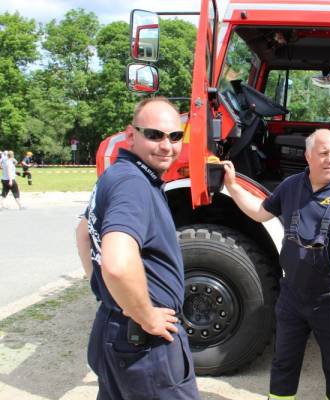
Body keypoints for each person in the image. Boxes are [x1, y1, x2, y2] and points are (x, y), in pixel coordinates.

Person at [221, 128, 330, 400]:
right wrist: (233, 187)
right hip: (293, 297)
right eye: (323, 154)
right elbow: (260, 212)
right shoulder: (291, 186)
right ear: (308, 156)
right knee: (283, 365)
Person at [75, 97, 201, 400]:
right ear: (131, 135)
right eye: (154, 135)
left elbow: (82, 233)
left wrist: (111, 298)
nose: (166, 146)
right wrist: (145, 314)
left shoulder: (117, 175)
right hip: (144, 347)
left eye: (174, 136)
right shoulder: (134, 183)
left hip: (115, 330)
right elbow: (116, 263)